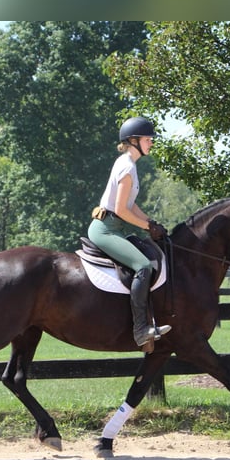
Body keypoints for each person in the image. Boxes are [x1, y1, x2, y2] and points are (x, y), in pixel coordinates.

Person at [88, 116, 172, 348]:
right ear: (134, 141)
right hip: (106, 230)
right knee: (143, 266)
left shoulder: (128, 164)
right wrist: (146, 227)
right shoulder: (127, 167)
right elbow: (122, 211)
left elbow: (130, 204)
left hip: (113, 227)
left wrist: (151, 222)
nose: (151, 143)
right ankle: (140, 330)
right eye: (148, 139)